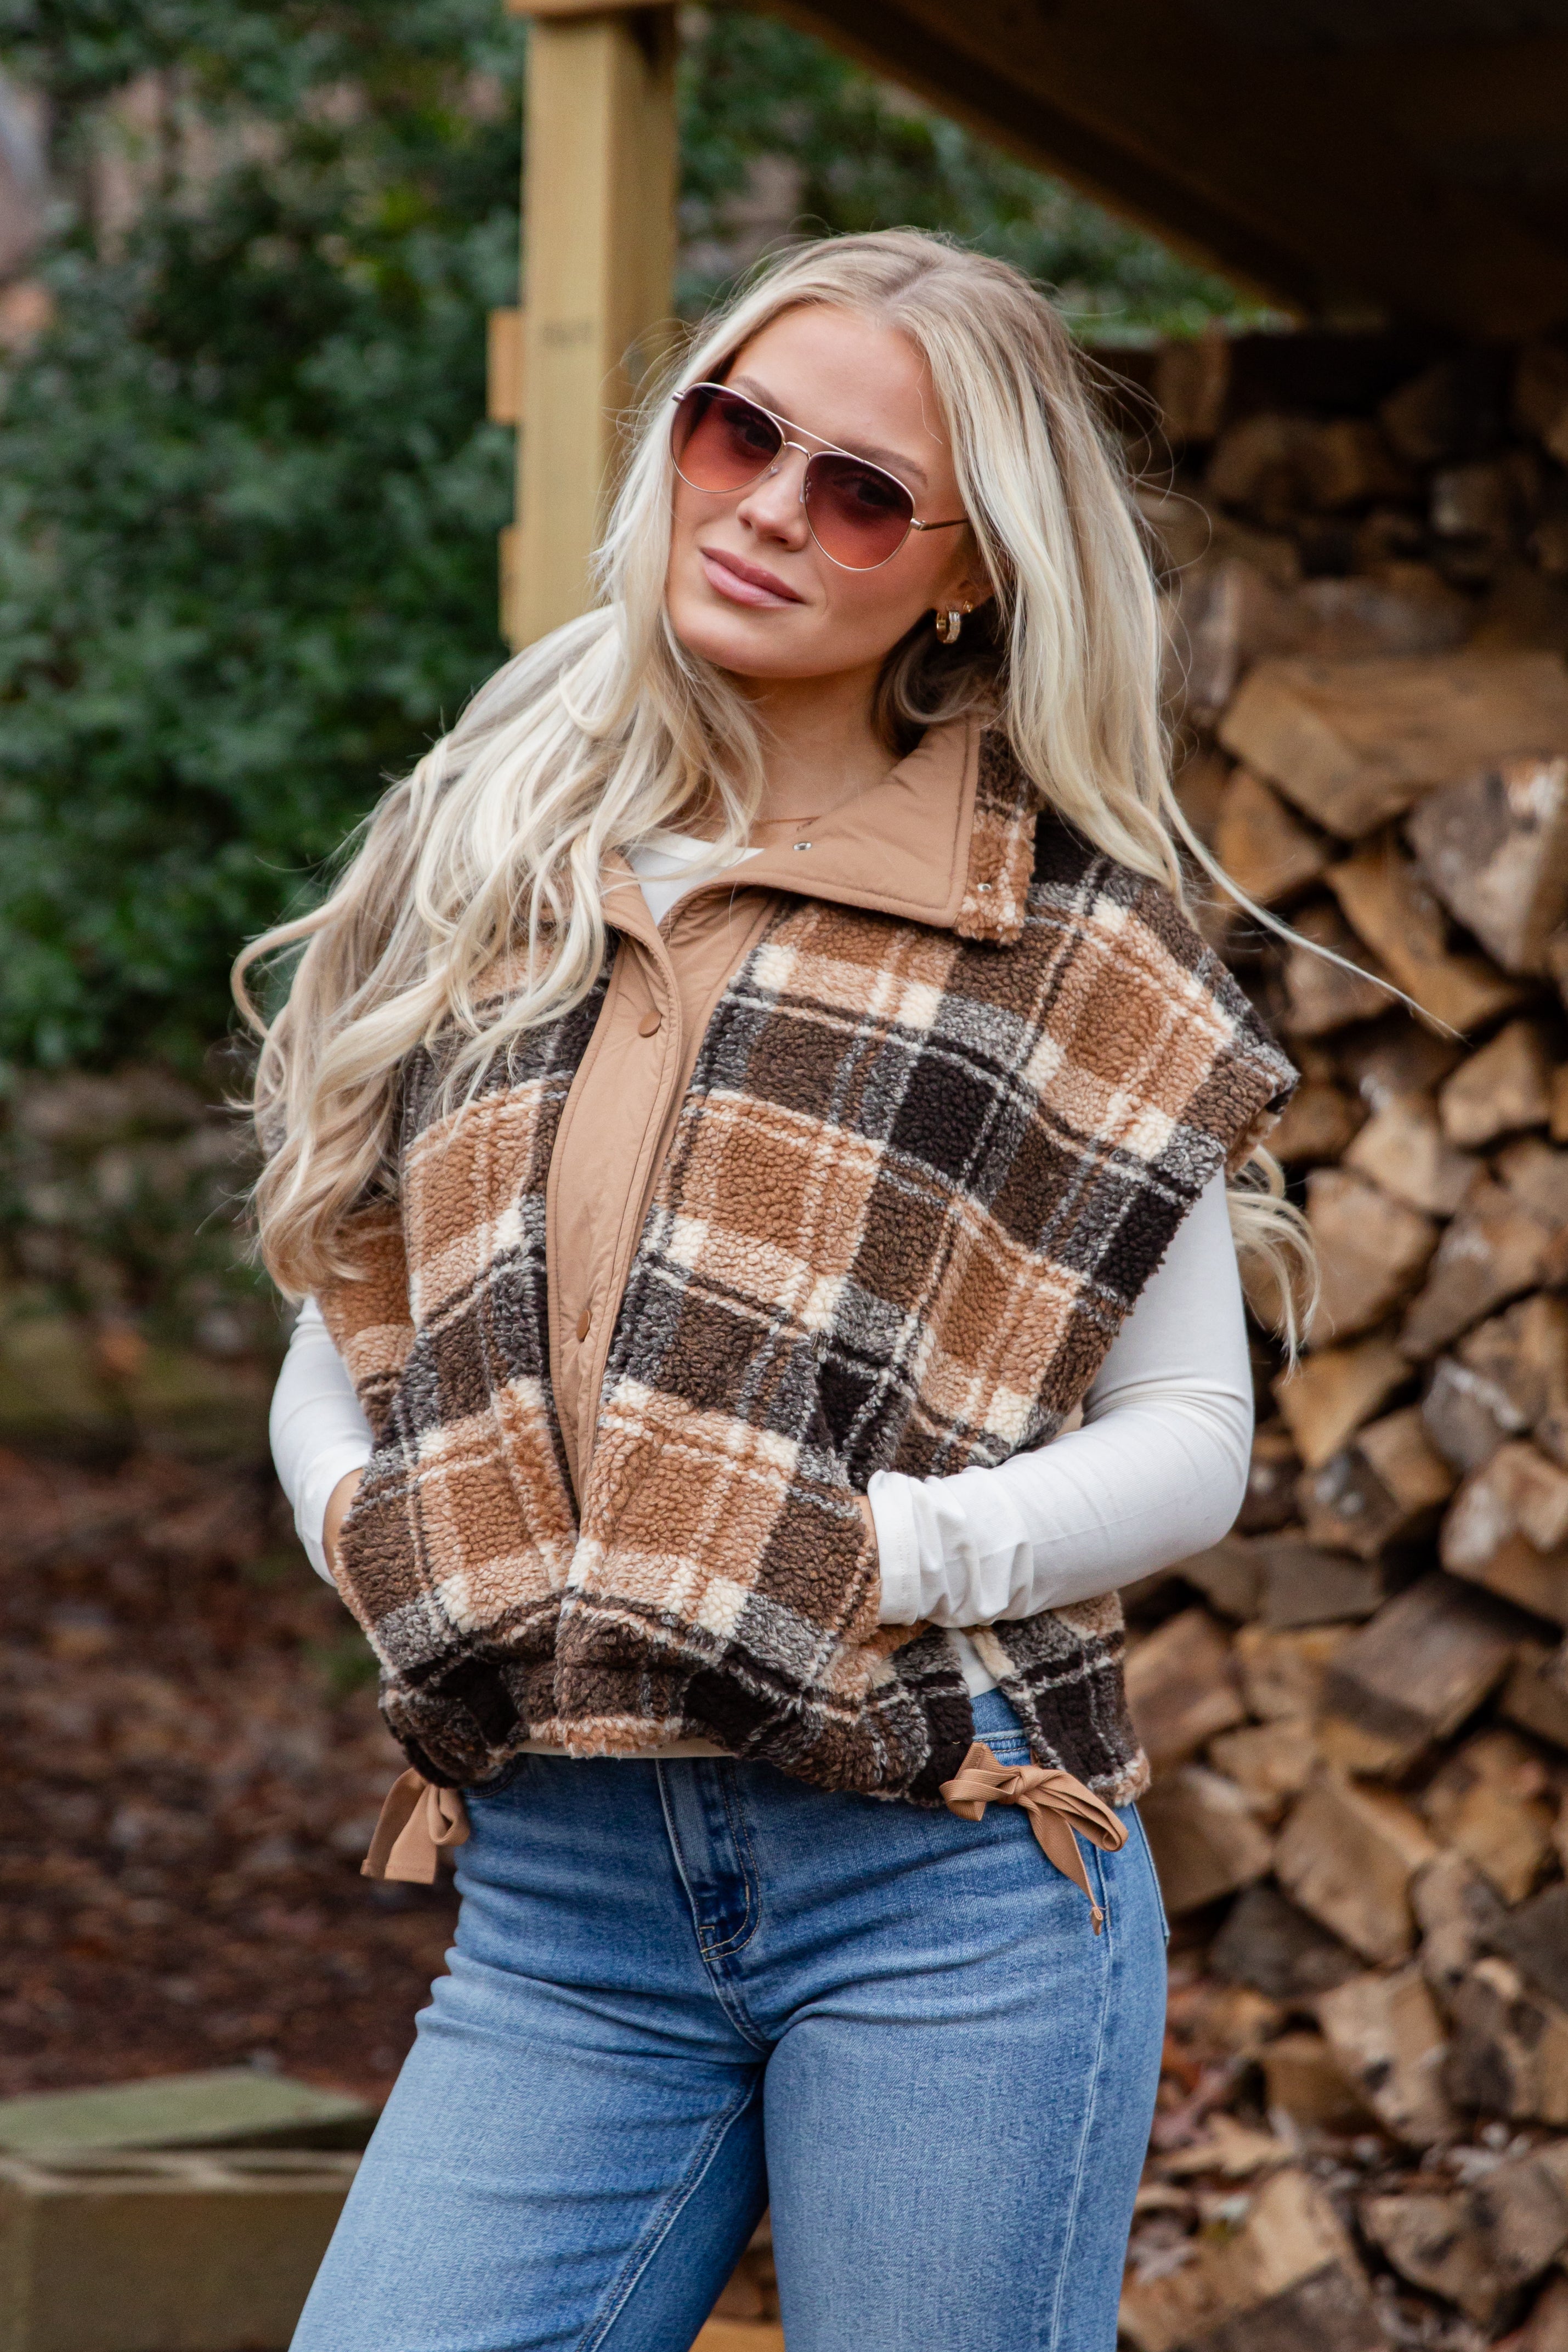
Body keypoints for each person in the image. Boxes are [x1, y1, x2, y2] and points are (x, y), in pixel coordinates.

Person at [241, 229, 1306, 2352]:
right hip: (556, 1894)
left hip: (940, 1864)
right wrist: (379, 1533)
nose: (763, 507)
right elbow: (346, 1336)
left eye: (857, 490)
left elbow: (1196, 1446)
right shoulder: (497, 872)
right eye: (739, 430)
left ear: (964, 572)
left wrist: (862, 1557)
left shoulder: (1074, 954)